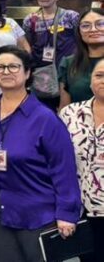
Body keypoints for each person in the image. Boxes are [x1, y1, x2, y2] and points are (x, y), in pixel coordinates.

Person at [0, 46, 82, 262]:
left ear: (27, 73)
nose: (6, 71)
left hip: (38, 211)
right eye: (0, 67)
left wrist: (66, 213)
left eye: (13, 66)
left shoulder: (45, 118)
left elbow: (64, 169)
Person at [57, 58, 104, 259]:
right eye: (99, 75)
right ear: (90, 81)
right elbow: (58, 160)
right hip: (80, 208)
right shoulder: (70, 113)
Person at [23, 0, 80, 108]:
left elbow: (81, 41)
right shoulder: (30, 20)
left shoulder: (70, 17)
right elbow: (28, 45)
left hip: (68, 72)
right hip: (42, 74)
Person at [59, 8, 104, 107]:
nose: (93, 29)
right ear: (79, 31)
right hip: (78, 116)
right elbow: (64, 106)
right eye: (86, 26)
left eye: (100, 24)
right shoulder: (68, 63)